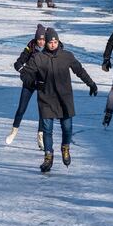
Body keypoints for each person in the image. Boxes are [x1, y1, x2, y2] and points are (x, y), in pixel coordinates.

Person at [21, 28, 98, 172]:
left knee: (67, 128)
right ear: (46, 43)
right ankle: (48, 156)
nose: (52, 44)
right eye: (50, 42)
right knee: (47, 130)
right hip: (46, 98)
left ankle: (65, 147)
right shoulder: (38, 58)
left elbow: (79, 71)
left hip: (64, 98)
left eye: (55, 41)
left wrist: (91, 83)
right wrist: (34, 83)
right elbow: (25, 75)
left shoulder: (66, 56)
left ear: (58, 41)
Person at [6, 24, 47, 147]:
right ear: (36, 39)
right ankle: (13, 131)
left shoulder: (50, 48)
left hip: (42, 83)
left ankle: (40, 136)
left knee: (43, 111)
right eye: (39, 39)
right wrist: (21, 69)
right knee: (21, 108)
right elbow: (19, 61)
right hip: (30, 81)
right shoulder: (31, 46)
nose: (41, 42)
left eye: (43, 39)